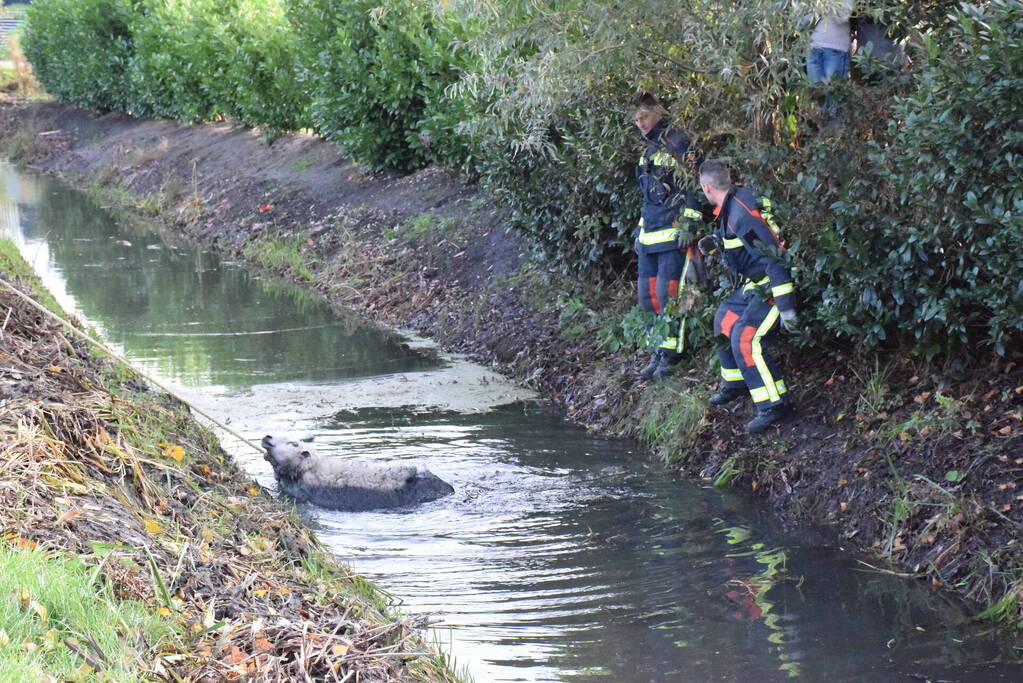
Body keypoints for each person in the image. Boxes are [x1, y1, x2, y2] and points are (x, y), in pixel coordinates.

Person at [696, 160, 797, 434]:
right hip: (758, 281)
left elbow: (775, 258)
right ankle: (736, 382)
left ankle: (774, 405)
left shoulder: (740, 214)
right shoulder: (732, 204)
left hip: (775, 283)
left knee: (745, 338)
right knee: (724, 319)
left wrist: (786, 306)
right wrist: (716, 246)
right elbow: (744, 248)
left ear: (706, 187)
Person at [631, 92, 707, 381]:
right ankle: (657, 350)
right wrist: (640, 227)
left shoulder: (678, 142)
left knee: (668, 296)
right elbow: (647, 194)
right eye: (636, 119)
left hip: (674, 234)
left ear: (658, 113)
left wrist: (690, 223)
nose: (640, 123)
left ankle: (671, 356)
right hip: (650, 234)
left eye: (645, 116)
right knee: (647, 297)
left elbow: (696, 183)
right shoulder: (647, 150)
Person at [805, 0, 855, 119]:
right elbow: (801, 18)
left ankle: (836, 136)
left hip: (836, 49)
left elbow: (842, 16)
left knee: (834, 101)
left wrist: (821, 4)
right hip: (812, 48)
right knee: (819, 100)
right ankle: (824, 136)